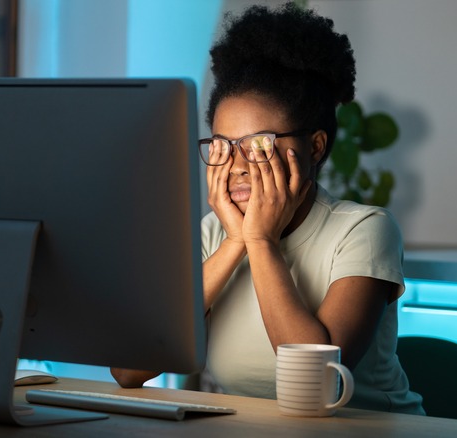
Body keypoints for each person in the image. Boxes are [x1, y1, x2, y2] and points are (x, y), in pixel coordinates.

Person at [112, 2, 424, 415]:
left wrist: (259, 240)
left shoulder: (365, 230)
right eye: (223, 145)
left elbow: (319, 384)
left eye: (258, 145)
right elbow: (128, 370)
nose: (237, 166)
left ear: (314, 147)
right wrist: (235, 243)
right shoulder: (213, 234)